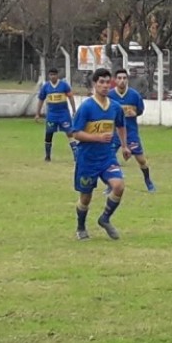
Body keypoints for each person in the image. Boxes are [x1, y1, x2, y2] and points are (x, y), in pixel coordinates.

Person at [72, 68, 131, 241]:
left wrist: (125, 146)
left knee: (119, 186)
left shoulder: (115, 107)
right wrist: (97, 137)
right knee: (85, 197)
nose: (105, 86)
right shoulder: (86, 107)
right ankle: (81, 227)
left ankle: (104, 218)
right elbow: (76, 133)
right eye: (101, 82)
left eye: (107, 82)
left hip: (107, 157)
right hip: (87, 159)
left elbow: (121, 126)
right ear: (94, 84)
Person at [108, 68, 156, 192]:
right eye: (119, 78)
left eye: (124, 78)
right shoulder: (110, 96)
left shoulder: (134, 95)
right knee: (109, 158)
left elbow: (140, 110)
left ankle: (148, 181)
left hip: (131, 132)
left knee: (141, 159)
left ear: (127, 80)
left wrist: (134, 112)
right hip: (114, 133)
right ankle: (110, 184)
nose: (122, 81)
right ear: (115, 80)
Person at [35, 68, 78, 162]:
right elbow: (41, 100)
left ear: (57, 75)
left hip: (64, 114)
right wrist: (37, 113)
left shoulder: (64, 85)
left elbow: (70, 97)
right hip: (51, 115)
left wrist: (74, 110)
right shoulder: (46, 86)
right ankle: (47, 156)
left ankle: (76, 155)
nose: (53, 76)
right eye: (51, 74)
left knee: (70, 133)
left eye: (54, 74)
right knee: (49, 133)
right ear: (48, 76)